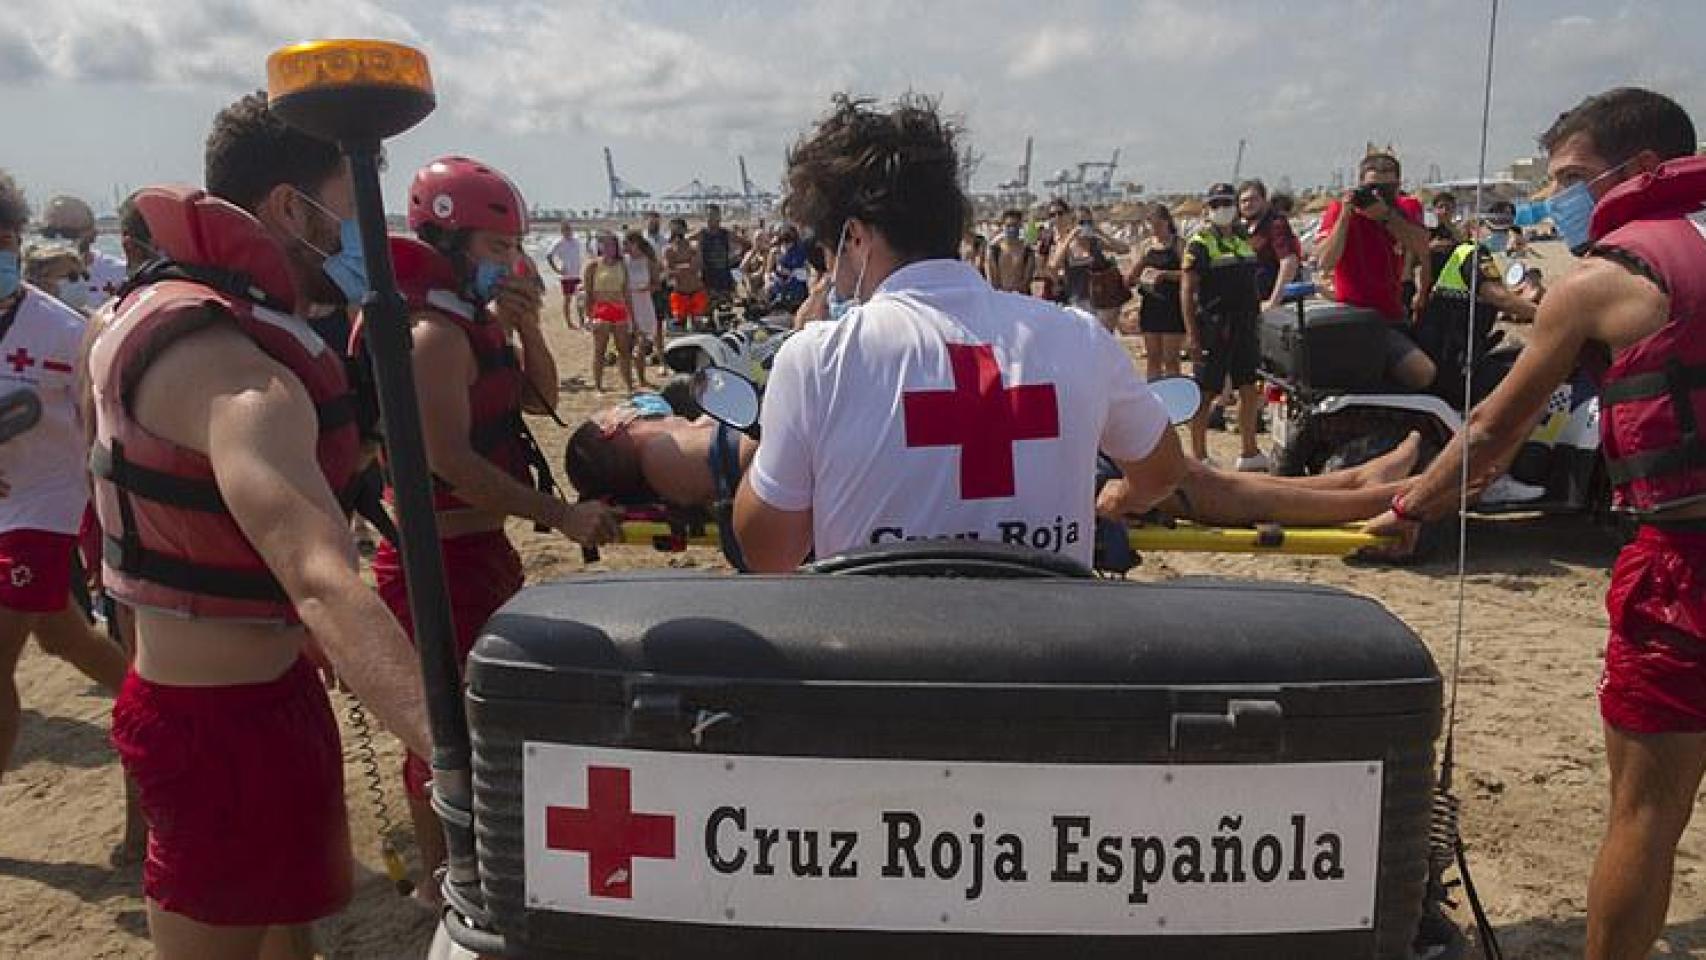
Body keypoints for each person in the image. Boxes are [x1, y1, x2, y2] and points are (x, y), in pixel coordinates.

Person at [84, 92, 432, 959]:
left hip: (276, 697)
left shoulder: (150, 317)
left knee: (291, 942)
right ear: (290, 207)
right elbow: (321, 575)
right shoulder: (240, 377)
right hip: (211, 727)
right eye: (350, 215)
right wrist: (450, 745)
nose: (363, 245)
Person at [1365, 87, 1706, 960]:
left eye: (1572, 179)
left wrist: (1411, 506)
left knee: (1645, 814)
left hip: (1686, 569)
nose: (1559, 200)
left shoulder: (1604, 279)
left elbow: (1488, 436)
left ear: (1637, 172)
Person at [731, 95, 1186, 572]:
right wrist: (1125, 493)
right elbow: (1163, 470)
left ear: (857, 239)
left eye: (823, 249)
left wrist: (777, 433)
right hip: (1049, 642)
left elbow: (768, 552)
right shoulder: (1080, 339)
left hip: (877, 641)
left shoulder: (817, 359)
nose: (826, 269)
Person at [384, 156, 617, 902]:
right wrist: (563, 516)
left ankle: (479, 857)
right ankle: (438, 877)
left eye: (514, 249)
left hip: (483, 550)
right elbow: (451, 463)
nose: (510, 264)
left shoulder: (472, 328)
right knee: (440, 730)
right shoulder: (434, 337)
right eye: (494, 250)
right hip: (436, 561)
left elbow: (538, 395)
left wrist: (527, 330)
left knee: (484, 716)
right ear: (447, 244)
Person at [571, 397, 1422, 571]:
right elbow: (758, 482)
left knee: (1202, 481)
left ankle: (1357, 480)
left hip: (919, 466)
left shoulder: (665, 436)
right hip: (897, 481)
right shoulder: (664, 451)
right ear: (610, 431)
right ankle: (1361, 495)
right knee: (1201, 487)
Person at [0, 173, 129, 789]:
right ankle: (152, 699)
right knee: (64, 638)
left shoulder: (63, 331)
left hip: (49, 504)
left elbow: (102, 422)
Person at [1316, 152, 1438, 389]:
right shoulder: (1339, 210)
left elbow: (1422, 245)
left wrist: (1386, 216)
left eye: (1386, 188)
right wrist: (1345, 216)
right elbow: (1324, 262)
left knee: (1431, 369)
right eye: (1372, 187)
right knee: (1420, 371)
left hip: (1392, 313)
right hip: (1355, 317)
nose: (1378, 194)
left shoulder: (1406, 207)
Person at [1181, 183, 1266, 471]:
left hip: (1244, 323)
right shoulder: (1200, 243)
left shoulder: (1243, 239)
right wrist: (1192, 335)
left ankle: (1249, 450)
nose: (1222, 209)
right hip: (1214, 325)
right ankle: (1199, 454)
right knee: (1206, 391)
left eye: (1226, 203)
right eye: (1215, 204)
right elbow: (1188, 291)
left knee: (1248, 387)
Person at [1048, 205, 1131, 331]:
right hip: (1077, 299)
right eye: (1081, 222)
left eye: (1088, 222)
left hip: (1101, 300)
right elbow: (1053, 266)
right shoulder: (1066, 244)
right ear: (1073, 222)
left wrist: (1101, 233)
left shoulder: (1095, 242)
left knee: (1102, 338)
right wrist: (1071, 236)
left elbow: (1124, 249)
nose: (1085, 226)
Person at [1128, 203, 1185, 380]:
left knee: (1171, 359)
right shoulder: (1146, 246)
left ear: (1167, 222)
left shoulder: (1178, 244)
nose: (1155, 229)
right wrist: (1141, 267)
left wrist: (1165, 274)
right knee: (1153, 357)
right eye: (1151, 225)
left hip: (1172, 305)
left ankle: (1174, 398)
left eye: (1158, 224)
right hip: (1150, 304)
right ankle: (1153, 395)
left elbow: (1189, 274)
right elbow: (1130, 279)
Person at [40, 195, 128, 309]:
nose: (59, 239)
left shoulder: (121, 275)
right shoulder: (26, 278)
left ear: (92, 235)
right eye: (49, 233)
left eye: (69, 233)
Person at [582, 231, 636, 393]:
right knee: (600, 350)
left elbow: (627, 293)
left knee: (624, 350)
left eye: (612, 244)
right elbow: (589, 293)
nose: (609, 248)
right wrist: (587, 316)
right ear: (599, 246)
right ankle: (598, 386)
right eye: (605, 244)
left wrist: (632, 317)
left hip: (619, 308)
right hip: (601, 309)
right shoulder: (593, 266)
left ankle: (628, 385)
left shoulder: (622, 265)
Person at [1239, 179, 1301, 312]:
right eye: (1244, 201)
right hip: (1254, 304)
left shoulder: (1276, 225)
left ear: (1264, 200)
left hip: (1277, 305)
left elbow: (1289, 263)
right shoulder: (1245, 229)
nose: (1248, 204)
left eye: (1253, 199)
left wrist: (1273, 301)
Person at [623, 230, 664, 378]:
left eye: (627, 243)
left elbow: (658, 285)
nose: (624, 246)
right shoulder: (623, 261)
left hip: (644, 302)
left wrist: (646, 288)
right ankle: (629, 377)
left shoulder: (648, 261)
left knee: (642, 341)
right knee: (626, 344)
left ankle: (641, 377)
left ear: (635, 243)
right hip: (627, 303)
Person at [663, 217, 707, 329]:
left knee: (698, 325)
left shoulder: (693, 246)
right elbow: (668, 272)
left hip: (696, 291)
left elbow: (696, 266)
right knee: (679, 326)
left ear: (685, 230)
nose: (677, 233)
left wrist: (678, 266)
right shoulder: (669, 250)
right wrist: (685, 265)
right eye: (674, 230)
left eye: (679, 229)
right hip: (679, 293)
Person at [983, 208, 1037, 295]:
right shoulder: (994, 251)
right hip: (1000, 299)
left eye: (1015, 225)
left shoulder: (1028, 252)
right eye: (1008, 226)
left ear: (1020, 226)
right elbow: (992, 281)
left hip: (1021, 299)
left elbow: (1026, 282)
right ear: (1003, 226)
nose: (1012, 229)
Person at [696, 203, 739, 312]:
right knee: (707, 308)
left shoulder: (725, 233)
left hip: (723, 274)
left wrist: (736, 258)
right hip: (707, 275)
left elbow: (746, 243)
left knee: (726, 307)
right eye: (709, 215)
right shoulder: (702, 233)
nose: (711, 218)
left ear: (719, 217)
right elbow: (684, 242)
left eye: (714, 215)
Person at [546, 218, 584, 329]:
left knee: (580, 298)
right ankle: (569, 323)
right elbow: (549, 256)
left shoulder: (576, 240)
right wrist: (557, 269)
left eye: (569, 229)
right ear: (562, 231)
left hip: (577, 274)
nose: (568, 231)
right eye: (565, 229)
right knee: (568, 300)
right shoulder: (559, 242)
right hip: (566, 276)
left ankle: (582, 321)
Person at [1427, 192, 1464, 281]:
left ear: (1453, 210)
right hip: (1431, 278)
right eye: (1441, 207)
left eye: (1448, 208)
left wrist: (1448, 224)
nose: (1444, 211)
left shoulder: (1459, 230)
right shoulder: (1427, 230)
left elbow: (1463, 244)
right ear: (1434, 210)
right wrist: (1431, 247)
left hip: (1453, 278)